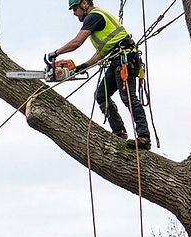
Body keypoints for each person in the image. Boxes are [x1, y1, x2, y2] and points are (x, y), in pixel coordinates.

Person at [48, 0, 151, 150]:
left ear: (84, 3)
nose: (74, 12)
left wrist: (55, 53)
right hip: (117, 60)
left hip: (125, 59)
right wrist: (82, 67)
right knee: (101, 95)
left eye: (75, 8)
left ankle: (144, 137)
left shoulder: (93, 17)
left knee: (128, 97)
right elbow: (100, 54)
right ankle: (119, 131)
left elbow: (77, 42)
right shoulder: (97, 20)